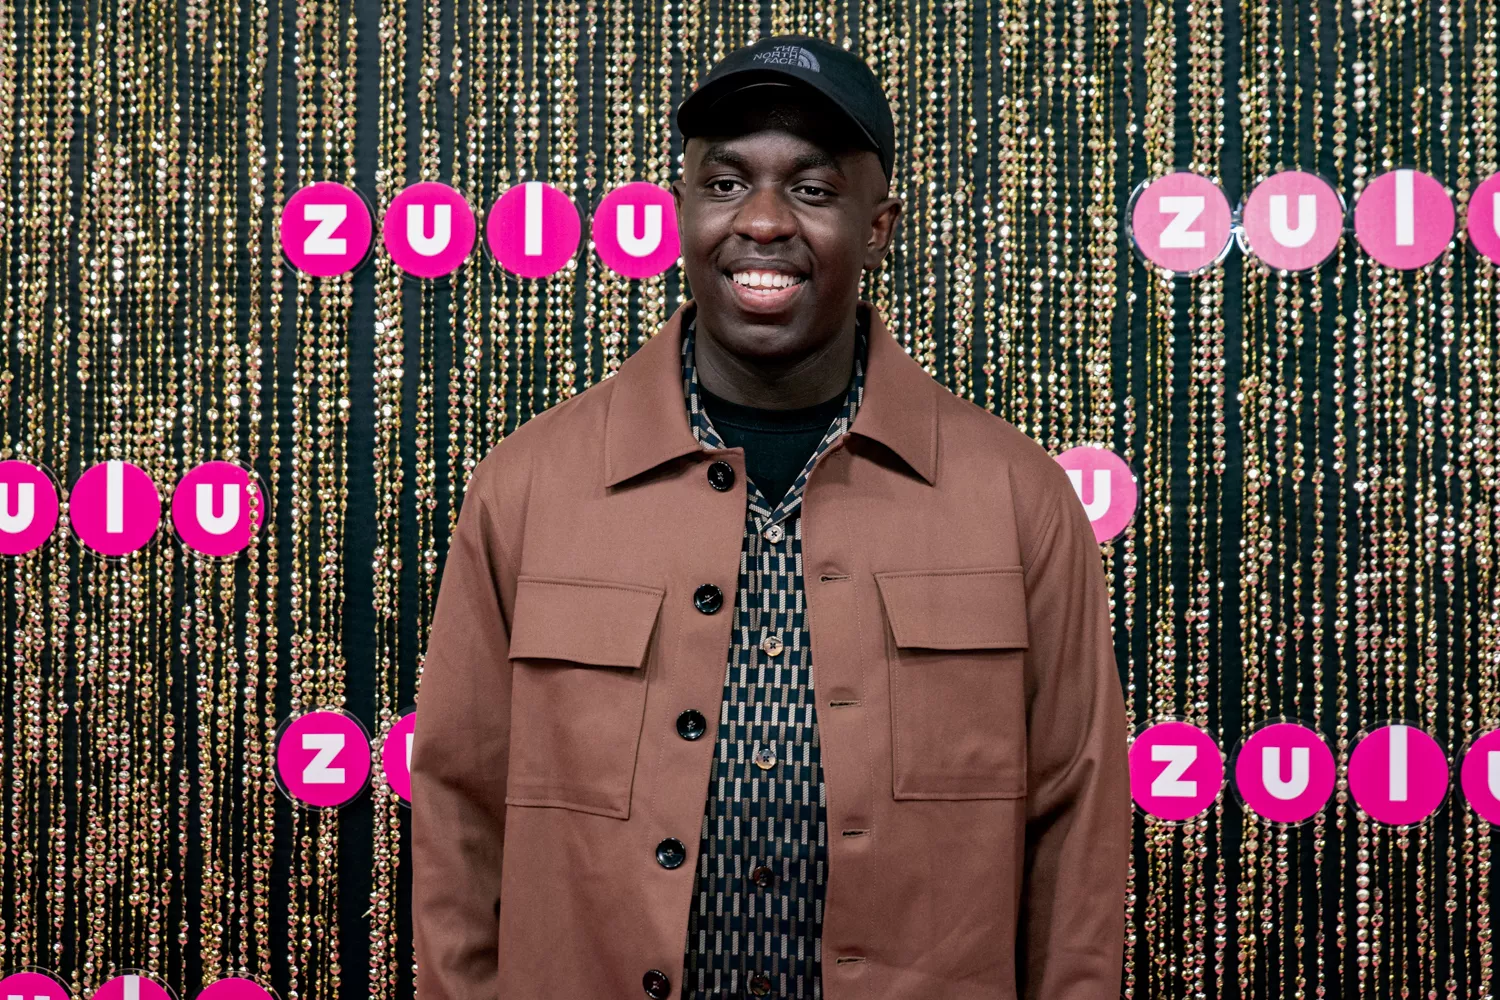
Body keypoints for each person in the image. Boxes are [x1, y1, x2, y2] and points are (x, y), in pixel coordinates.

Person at [411, 32, 1130, 1000]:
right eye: (724, 183)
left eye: (813, 189)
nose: (760, 220)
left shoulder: (1018, 498)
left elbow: (1076, 832)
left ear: (879, 227)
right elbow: (458, 813)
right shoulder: (528, 486)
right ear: (680, 211)